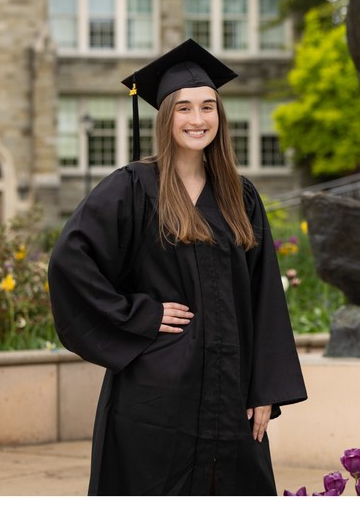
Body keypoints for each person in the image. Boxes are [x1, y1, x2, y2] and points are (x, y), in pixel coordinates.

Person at [48, 39, 307, 496]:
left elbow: (265, 295)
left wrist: (265, 388)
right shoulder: (132, 187)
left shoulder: (239, 195)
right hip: (155, 396)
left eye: (208, 107)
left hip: (230, 394)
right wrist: (140, 315)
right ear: (166, 117)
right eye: (184, 108)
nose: (198, 119)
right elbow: (71, 262)